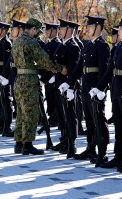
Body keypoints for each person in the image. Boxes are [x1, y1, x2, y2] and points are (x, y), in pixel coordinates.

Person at [60, 15, 110, 166]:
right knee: (88, 118)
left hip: (96, 86)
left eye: (90, 26)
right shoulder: (87, 45)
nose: (87, 29)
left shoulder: (103, 45)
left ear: (98, 27)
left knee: (99, 118)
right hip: (87, 85)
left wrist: (101, 88)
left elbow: (104, 69)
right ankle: (91, 146)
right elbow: (79, 68)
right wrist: (68, 83)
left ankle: (103, 149)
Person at [91, 17, 122, 171]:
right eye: (119, 29)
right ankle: (118, 156)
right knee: (119, 125)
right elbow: (109, 70)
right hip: (117, 88)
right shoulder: (118, 47)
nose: (119, 31)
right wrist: (99, 87)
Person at [12, 18, 57, 155]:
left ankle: (19, 143)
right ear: (33, 29)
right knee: (30, 113)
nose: (38, 35)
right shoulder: (31, 42)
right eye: (37, 32)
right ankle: (28, 144)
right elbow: (43, 59)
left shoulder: (17, 41)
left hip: (19, 79)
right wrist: (58, 68)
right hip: (29, 81)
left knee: (20, 113)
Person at [52, 19, 81, 158]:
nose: (60, 31)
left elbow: (75, 69)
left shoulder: (74, 47)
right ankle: (64, 139)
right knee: (62, 114)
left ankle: (72, 143)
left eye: (62, 29)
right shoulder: (61, 46)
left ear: (69, 29)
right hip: (59, 85)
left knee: (70, 115)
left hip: (68, 86)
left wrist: (71, 87)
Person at [0, 21, 13, 137]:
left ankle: (7, 124)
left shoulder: (6, 43)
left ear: (4, 31)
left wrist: (4, 76)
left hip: (3, 76)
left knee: (6, 101)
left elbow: (7, 63)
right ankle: (2, 122)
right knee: (0, 101)